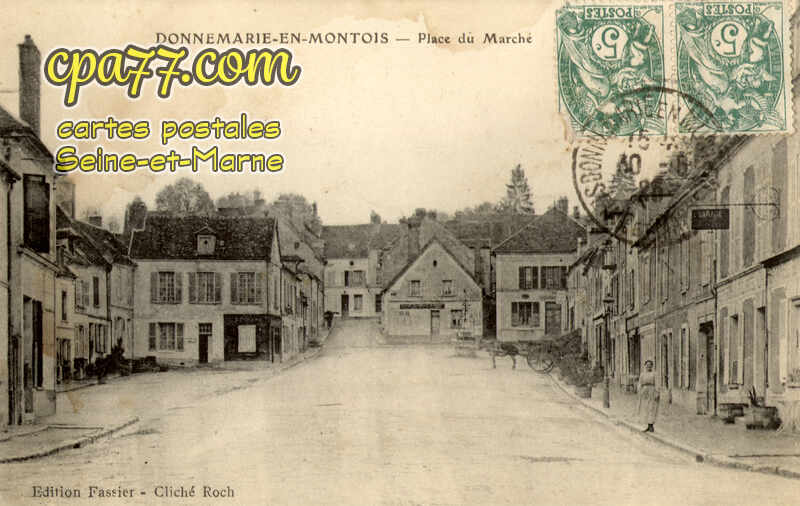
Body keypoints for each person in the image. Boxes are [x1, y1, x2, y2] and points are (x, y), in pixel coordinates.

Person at [637, 359, 659, 432]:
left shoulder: (654, 374)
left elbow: (657, 384)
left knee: (652, 408)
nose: (648, 367)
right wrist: (639, 391)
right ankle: (647, 425)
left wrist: (657, 392)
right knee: (645, 408)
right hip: (644, 392)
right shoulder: (642, 374)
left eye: (650, 365)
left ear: (652, 366)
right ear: (645, 366)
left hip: (652, 391)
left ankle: (651, 425)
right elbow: (640, 383)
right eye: (647, 365)